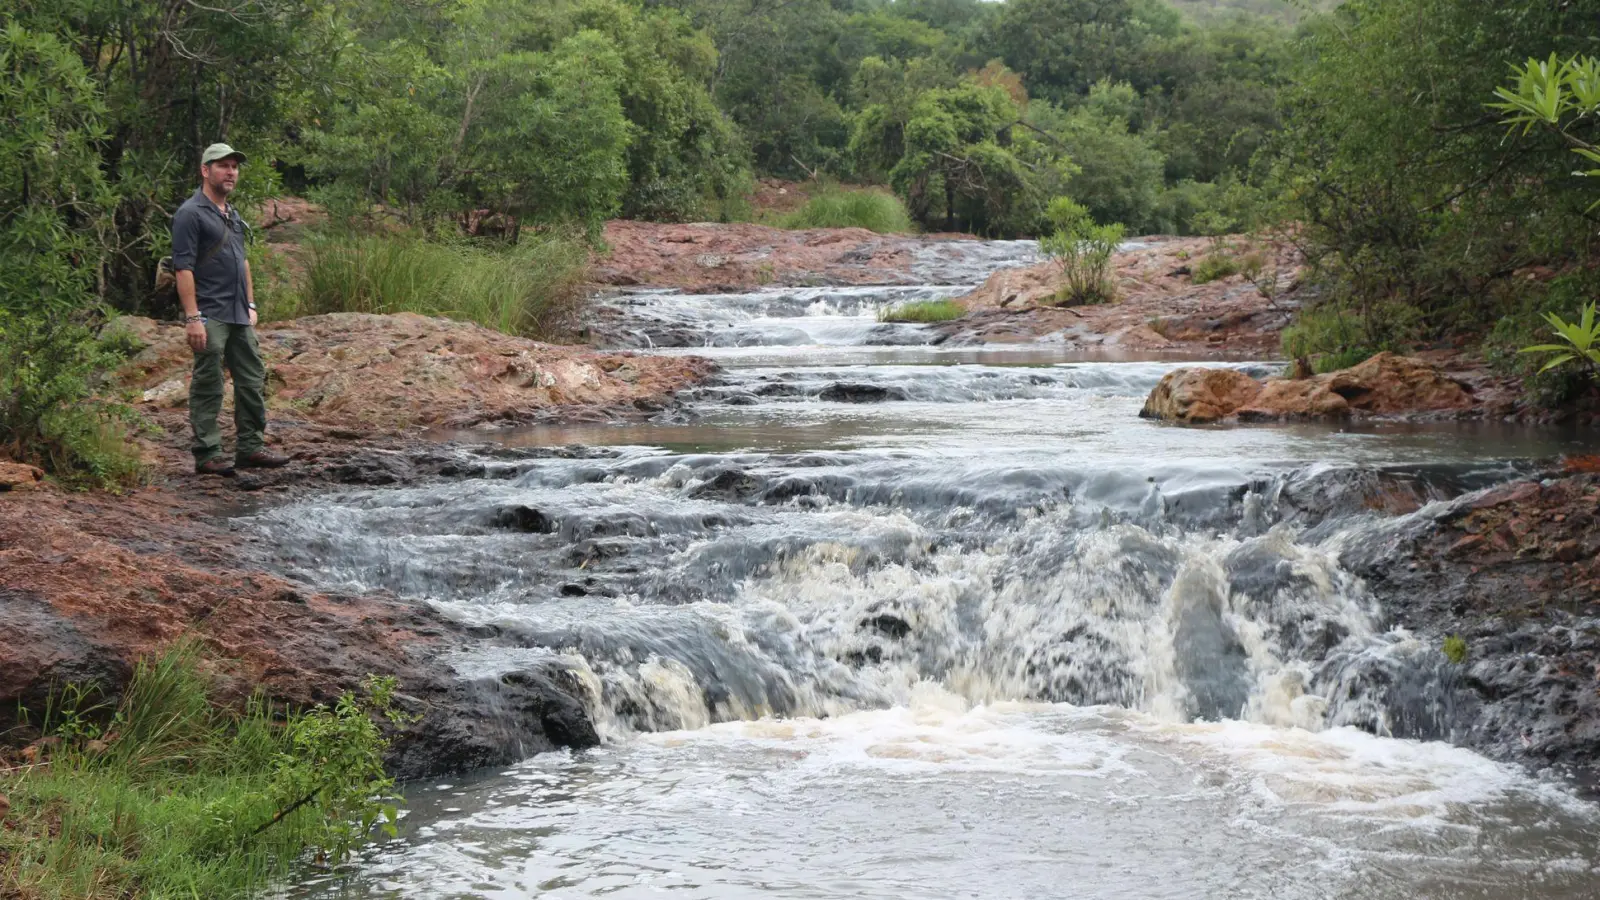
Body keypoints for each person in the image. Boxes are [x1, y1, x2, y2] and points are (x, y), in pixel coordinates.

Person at [172, 143, 290, 476]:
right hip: (210, 313)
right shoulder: (189, 213)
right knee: (209, 382)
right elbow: (183, 268)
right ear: (205, 170)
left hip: (239, 313)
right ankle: (208, 454)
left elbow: (243, 262)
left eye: (234, 167)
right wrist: (193, 318)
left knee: (252, 380)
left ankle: (251, 448)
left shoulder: (233, 215)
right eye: (223, 166)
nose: (231, 172)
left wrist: (251, 304)